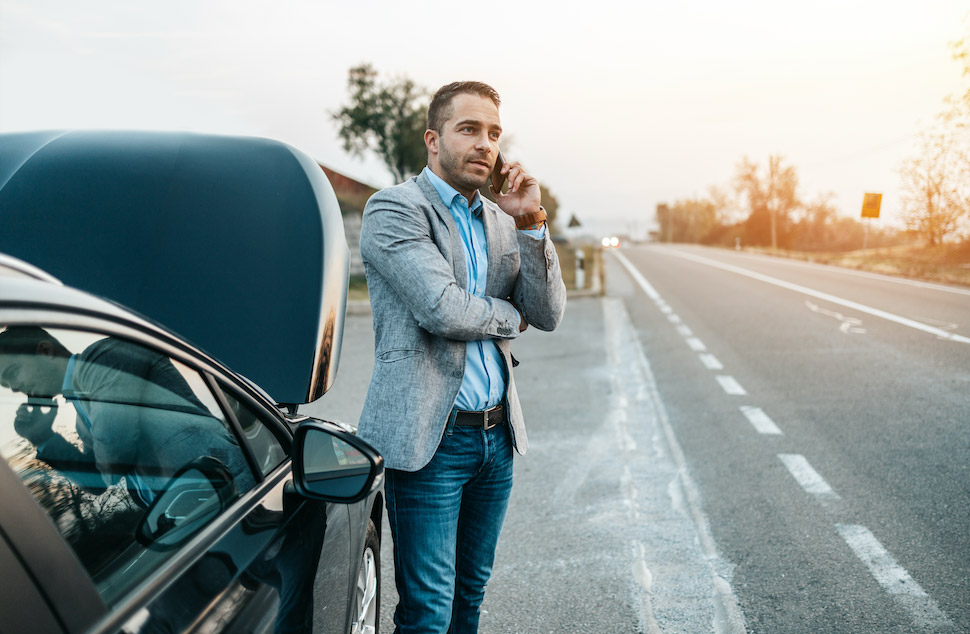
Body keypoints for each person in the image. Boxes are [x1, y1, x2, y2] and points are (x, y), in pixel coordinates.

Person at [357, 81, 566, 633]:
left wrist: (531, 223)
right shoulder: (395, 210)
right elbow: (443, 310)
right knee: (428, 612)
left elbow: (547, 313)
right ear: (433, 139)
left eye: (494, 133)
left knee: (469, 597)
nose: (485, 144)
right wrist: (506, 316)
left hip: (496, 438)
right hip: (431, 440)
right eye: (469, 129)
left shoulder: (502, 219)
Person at [0, 326, 255, 504]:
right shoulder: (82, 415)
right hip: (200, 509)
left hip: (233, 489)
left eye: (11, 373)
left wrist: (103, 465)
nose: (13, 388)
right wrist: (43, 437)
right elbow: (98, 483)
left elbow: (113, 464)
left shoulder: (104, 359)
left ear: (45, 351)